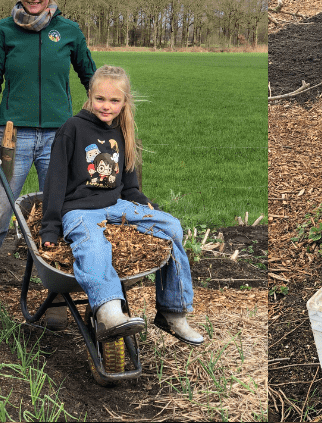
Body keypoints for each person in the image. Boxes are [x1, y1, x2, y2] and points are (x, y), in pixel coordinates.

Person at [0, 0, 96, 312]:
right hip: (12, 138)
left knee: (58, 212)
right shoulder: (3, 31)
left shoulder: (68, 32)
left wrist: (104, 121)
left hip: (59, 139)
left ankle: (56, 293)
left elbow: (92, 79)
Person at [39, 65, 203, 345]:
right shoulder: (73, 129)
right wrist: (50, 227)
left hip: (115, 206)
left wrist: (143, 202)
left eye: (114, 100)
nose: (106, 106)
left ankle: (172, 312)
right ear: (89, 96)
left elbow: (128, 186)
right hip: (79, 210)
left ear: (125, 101)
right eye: (100, 98)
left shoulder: (121, 132)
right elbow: (54, 181)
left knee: (172, 227)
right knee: (93, 246)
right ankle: (110, 312)